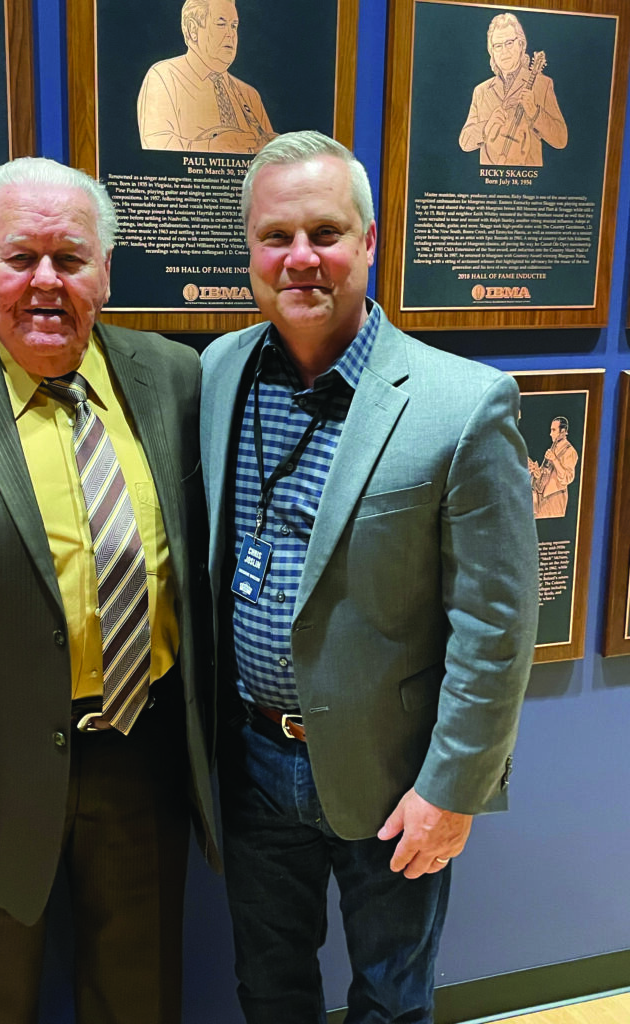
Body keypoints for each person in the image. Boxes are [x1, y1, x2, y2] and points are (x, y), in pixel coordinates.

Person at [0, 156, 217, 1024]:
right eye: (21, 258)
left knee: (141, 999)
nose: (47, 282)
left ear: (106, 272)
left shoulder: (174, 377)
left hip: (145, 752)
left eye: (72, 257)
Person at [200, 130, 539, 1023]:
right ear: (250, 252)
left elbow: (497, 625)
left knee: (392, 1000)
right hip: (252, 761)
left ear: (371, 241)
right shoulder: (218, 371)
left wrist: (453, 792)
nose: (301, 258)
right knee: (269, 991)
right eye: (276, 237)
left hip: (395, 781)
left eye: (326, 232)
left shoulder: (461, 404)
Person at [137, 0, 275, 154]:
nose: (231, 34)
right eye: (221, 24)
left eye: (234, 26)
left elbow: (270, 163)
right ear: (192, 29)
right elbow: (156, 146)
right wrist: (211, 147)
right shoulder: (164, 77)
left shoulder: (250, 96)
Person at [459, 11, 567, 166]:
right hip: (489, 181)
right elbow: (464, 142)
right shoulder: (481, 91)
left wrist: (534, 112)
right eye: (497, 46)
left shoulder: (542, 84)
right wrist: (486, 126)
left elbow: (561, 139)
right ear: (492, 52)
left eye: (509, 43)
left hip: (527, 182)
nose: (504, 51)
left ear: (521, 44)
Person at [528, 416, 578, 519]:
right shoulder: (552, 448)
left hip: (555, 498)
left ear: (563, 431)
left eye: (553, 430)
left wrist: (555, 460)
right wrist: (537, 472)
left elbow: (567, 478)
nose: (550, 434)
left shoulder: (570, 451)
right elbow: (545, 472)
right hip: (542, 498)